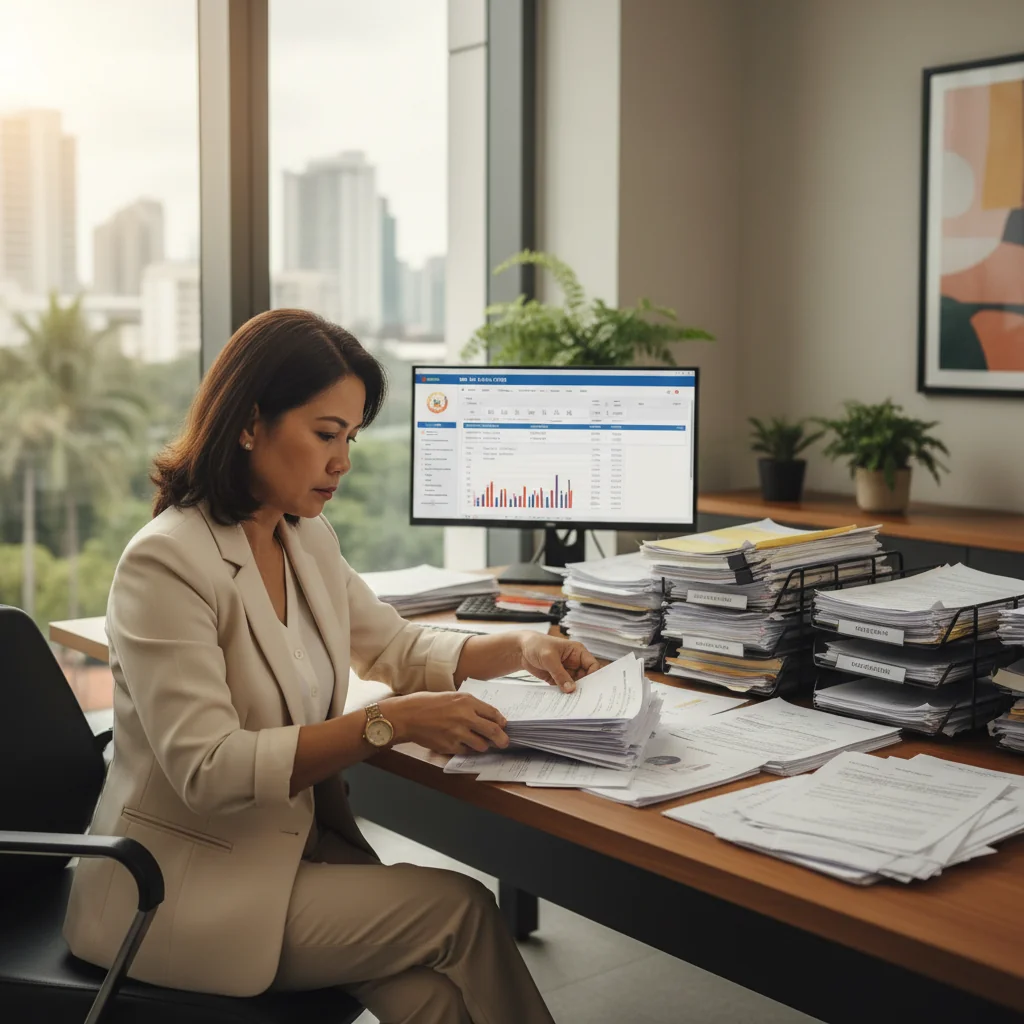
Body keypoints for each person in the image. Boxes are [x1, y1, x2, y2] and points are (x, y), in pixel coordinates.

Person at [63, 308, 599, 1023]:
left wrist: (523, 645)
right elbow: (209, 768)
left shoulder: (303, 537)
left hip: (283, 861)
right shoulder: (165, 561)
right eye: (325, 434)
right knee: (461, 910)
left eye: (350, 437)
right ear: (251, 424)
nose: (342, 461)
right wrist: (386, 723)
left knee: (434, 1000)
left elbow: (396, 648)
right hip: (173, 891)